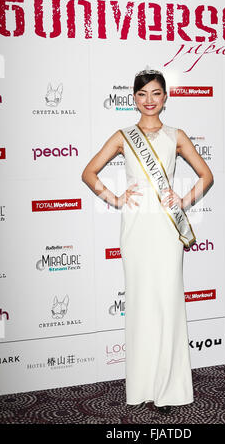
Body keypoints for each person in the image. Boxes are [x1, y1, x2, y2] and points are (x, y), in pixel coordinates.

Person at [81, 68, 214, 415]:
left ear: (165, 97)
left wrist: (182, 201)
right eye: (142, 94)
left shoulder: (177, 135)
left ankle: (169, 389)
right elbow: (88, 172)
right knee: (140, 304)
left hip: (166, 229)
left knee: (168, 303)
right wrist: (114, 198)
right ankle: (141, 386)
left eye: (156, 93)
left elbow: (207, 176)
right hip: (136, 229)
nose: (149, 100)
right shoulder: (123, 136)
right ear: (134, 97)